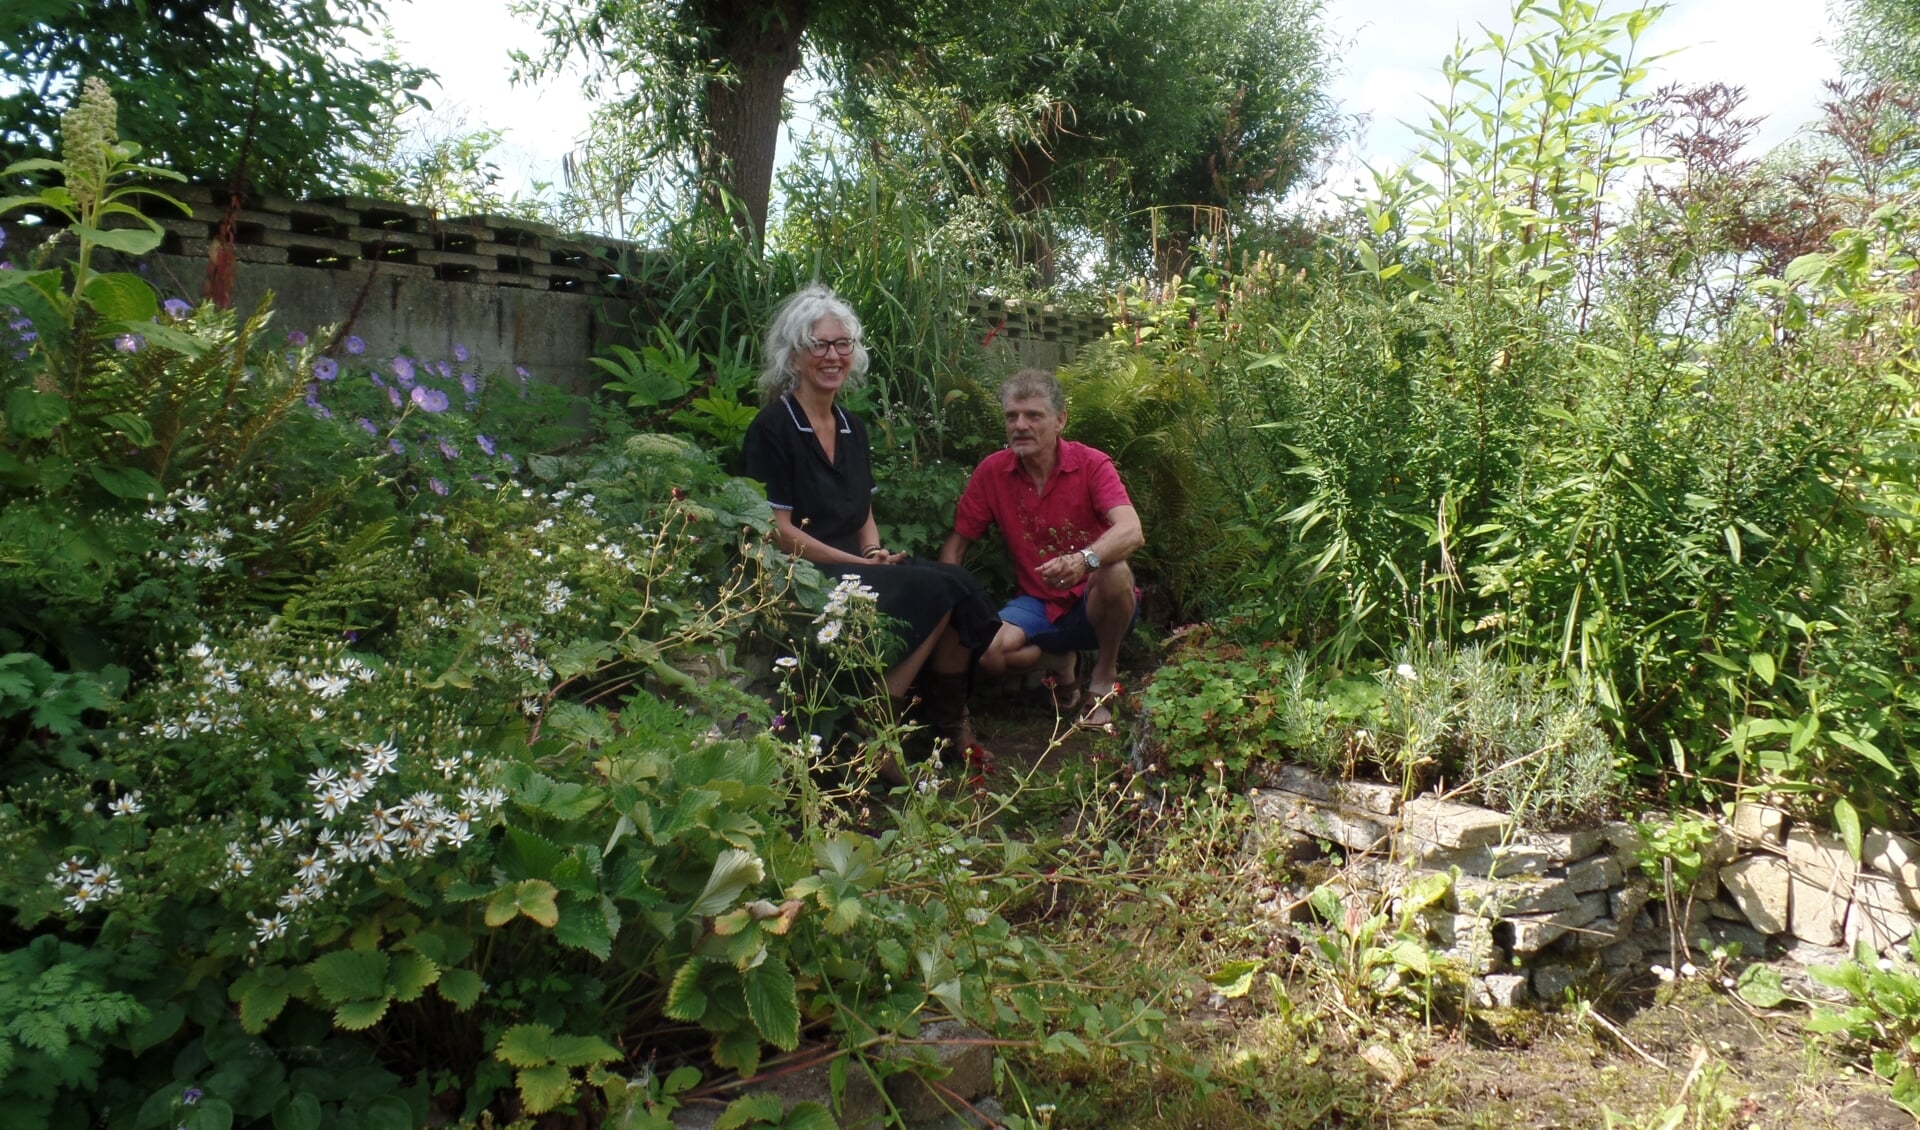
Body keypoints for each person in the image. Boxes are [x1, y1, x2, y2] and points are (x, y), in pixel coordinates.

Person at [741, 284, 1001, 760]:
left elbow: (863, 513)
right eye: (819, 344)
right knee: (938, 590)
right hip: (804, 575)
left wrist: (871, 554)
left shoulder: (851, 426)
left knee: (957, 581)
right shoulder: (773, 428)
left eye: (843, 344)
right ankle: (877, 725)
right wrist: (859, 566)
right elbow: (776, 531)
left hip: (852, 567)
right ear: (794, 357)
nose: (833, 355)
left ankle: (946, 726)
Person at [939, 368, 1143, 727]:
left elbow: (1131, 530)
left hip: (1095, 601)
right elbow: (955, 549)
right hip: (1037, 602)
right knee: (987, 654)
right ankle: (1061, 661)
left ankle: (1103, 674)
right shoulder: (992, 472)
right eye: (1012, 416)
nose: (1020, 425)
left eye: (1034, 415)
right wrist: (953, 611)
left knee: (1115, 572)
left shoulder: (1091, 464)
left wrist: (1083, 561)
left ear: (1060, 419)